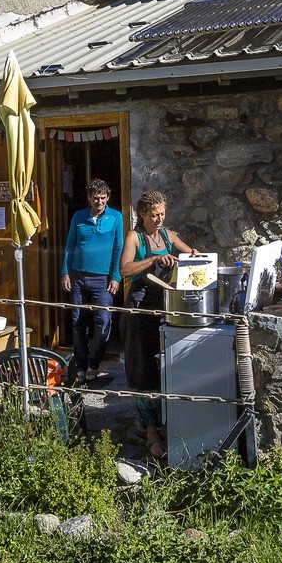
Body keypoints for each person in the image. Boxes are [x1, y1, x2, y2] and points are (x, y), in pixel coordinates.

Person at [120, 189, 198, 461]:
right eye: (154, 215)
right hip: (139, 308)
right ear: (142, 214)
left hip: (163, 306)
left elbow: (190, 253)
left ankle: (153, 423)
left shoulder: (167, 235)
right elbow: (125, 269)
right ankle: (150, 433)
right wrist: (153, 259)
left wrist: (193, 256)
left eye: (162, 214)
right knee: (142, 370)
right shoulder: (135, 237)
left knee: (162, 367)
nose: (159, 219)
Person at [60, 179, 124, 386]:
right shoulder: (79, 216)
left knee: (103, 322)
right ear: (89, 198)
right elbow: (70, 245)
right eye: (96, 198)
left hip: (103, 278)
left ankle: (94, 364)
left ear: (108, 197)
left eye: (103, 198)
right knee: (78, 322)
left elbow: (118, 248)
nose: (99, 201)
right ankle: (80, 365)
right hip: (78, 276)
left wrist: (116, 277)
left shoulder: (116, 217)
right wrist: (65, 272)